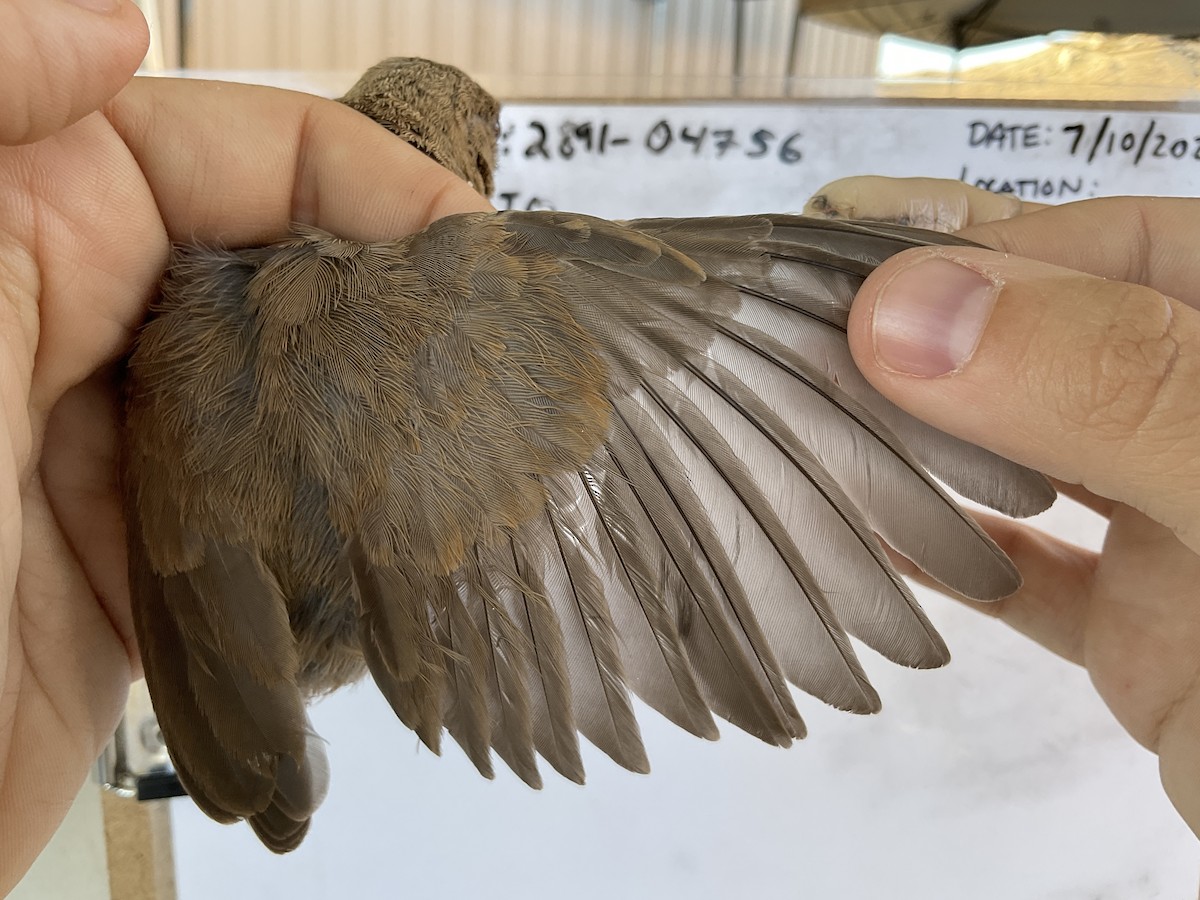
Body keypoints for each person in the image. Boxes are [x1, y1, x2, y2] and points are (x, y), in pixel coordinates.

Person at [2, 0, 1197, 889]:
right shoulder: (491, 291)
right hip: (250, 655)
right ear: (471, 171)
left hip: (201, 654)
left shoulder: (180, 295)